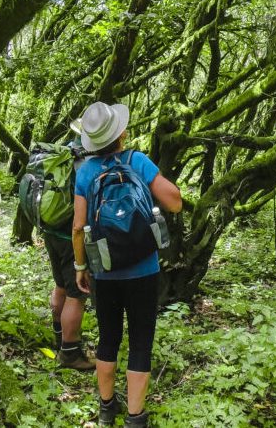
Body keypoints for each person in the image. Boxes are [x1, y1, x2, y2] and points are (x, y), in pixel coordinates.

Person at [72, 101, 182, 427]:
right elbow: (175, 202)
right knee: (140, 342)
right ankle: (136, 418)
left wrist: (81, 268)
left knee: (108, 340)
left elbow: (78, 227)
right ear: (120, 133)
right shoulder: (137, 161)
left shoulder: (86, 171)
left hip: (104, 271)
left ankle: (107, 408)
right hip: (144, 270)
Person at [42, 119, 96, 371]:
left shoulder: (63, 151)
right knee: (77, 294)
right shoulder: (86, 163)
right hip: (69, 237)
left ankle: (58, 335)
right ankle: (70, 352)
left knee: (60, 285)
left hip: (50, 231)